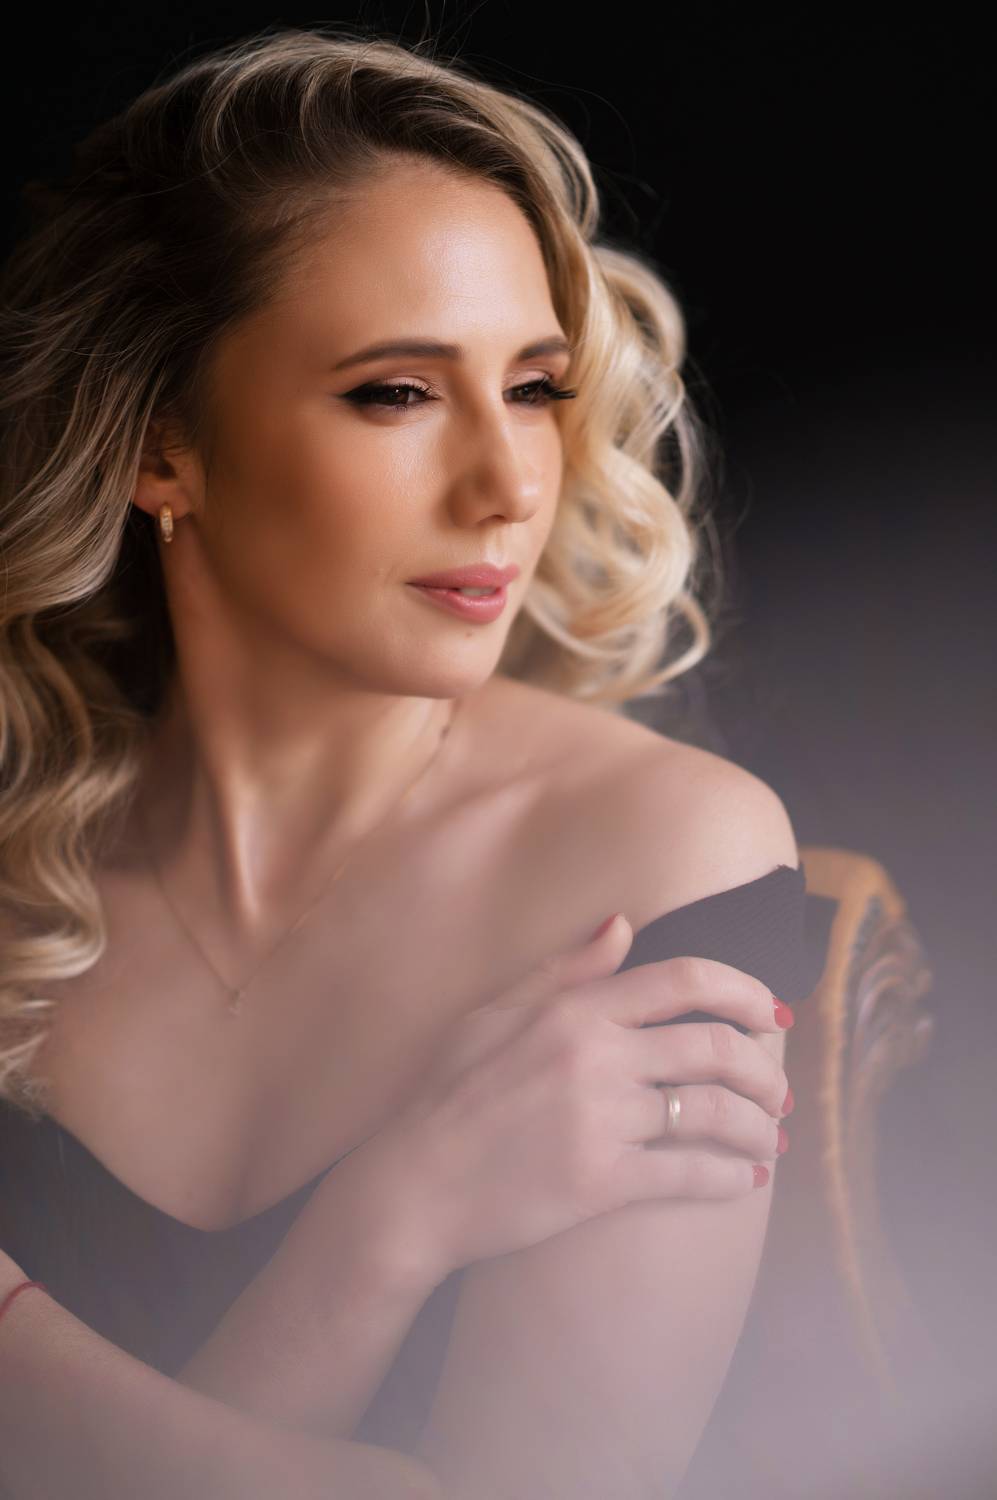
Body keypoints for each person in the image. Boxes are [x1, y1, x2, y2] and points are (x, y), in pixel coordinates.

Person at [0, 25, 822, 1500]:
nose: (508, 484)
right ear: (162, 444)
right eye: (397, 391)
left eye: (535, 387)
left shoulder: (664, 863)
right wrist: (392, 1221)